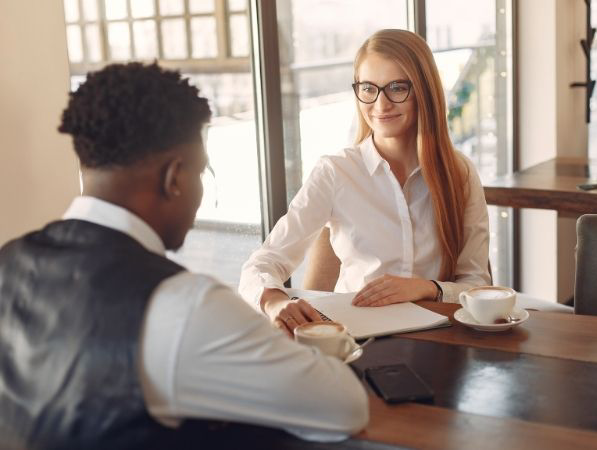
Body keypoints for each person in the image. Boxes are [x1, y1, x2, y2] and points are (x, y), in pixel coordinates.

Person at [0, 63, 368, 450]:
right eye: (201, 172)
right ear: (173, 177)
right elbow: (345, 406)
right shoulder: (186, 305)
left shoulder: (8, 262)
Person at [239, 29, 491, 337]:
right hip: (357, 339)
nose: (380, 104)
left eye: (397, 87)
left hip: (442, 339)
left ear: (424, 91)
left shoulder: (459, 173)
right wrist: (276, 301)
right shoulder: (336, 172)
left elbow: (477, 285)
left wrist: (425, 288)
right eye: (368, 89)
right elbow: (262, 264)